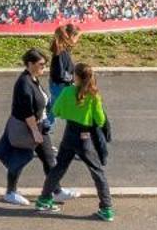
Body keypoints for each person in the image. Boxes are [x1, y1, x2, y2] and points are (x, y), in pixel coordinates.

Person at [36, 62, 114, 221]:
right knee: (97, 171)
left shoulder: (67, 91)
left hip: (69, 134)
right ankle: (106, 207)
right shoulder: (94, 96)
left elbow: (56, 111)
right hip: (84, 136)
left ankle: (44, 199)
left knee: (59, 167)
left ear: (75, 77)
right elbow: (100, 120)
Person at [0, 48, 55, 206]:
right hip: (26, 129)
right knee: (18, 160)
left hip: (38, 126)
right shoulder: (24, 83)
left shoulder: (33, 78)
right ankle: (11, 192)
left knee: (49, 158)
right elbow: (27, 112)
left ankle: (56, 190)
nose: (44, 68)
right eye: (41, 64)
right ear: (30, 63)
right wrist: (35, 132)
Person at [45, 23, 81, 131]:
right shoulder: (60, 53)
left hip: (58, 85)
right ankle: (44, 132)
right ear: (70, 37)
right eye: (77, 37)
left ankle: (45, 129)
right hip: (60, 86)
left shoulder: (62, 50)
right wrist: (72, 79)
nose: (77, 41)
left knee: (54, 109)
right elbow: (60, 74)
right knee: (58, 111)